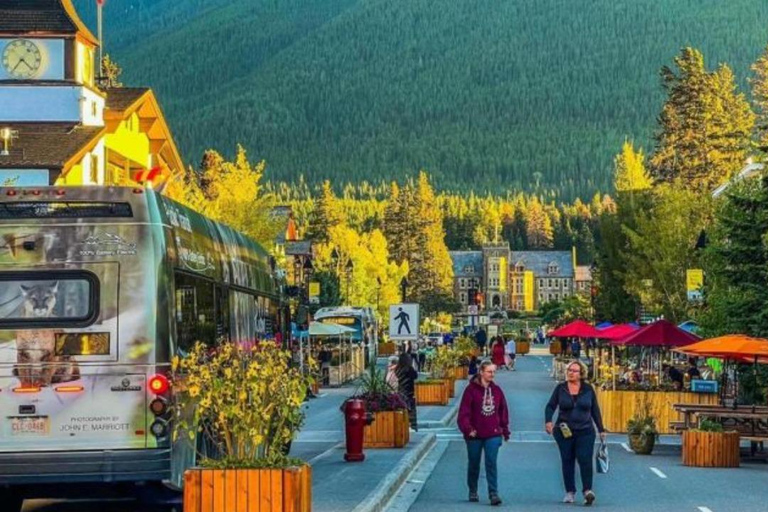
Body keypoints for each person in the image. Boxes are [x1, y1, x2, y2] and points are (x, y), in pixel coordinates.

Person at [545, 360, 606, 506]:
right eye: (569, 370)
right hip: (564, 430)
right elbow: (550, 406)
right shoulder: (561, 388)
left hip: (585, 430)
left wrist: (601, 429)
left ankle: (587, 491)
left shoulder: (588, 389)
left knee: (585, 459)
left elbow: (595, 410)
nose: (571, 373)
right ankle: (570, 491)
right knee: (567, 460)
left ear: (581, 374)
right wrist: (548, 421)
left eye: (574, 371)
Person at [458, 360, 510, 506]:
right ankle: (473, 489)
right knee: (474, 463)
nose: (492, 374)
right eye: (489, 371)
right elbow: (464, 413)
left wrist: (504, 430)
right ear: (481, 372)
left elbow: (503, 411)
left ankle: (493, 493)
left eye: (494, 371)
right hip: (474, 434)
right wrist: (468, 429)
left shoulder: (497, 390)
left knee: (491, 462)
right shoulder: (471, 390)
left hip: (493, 433)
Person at [396, 353, 419, 430]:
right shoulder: (409, 369)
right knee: (411, 411)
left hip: (401, 391)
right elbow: (415, 376)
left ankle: (404, 427)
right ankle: (412, 426)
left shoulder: (397, 369)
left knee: (403, 410)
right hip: (409, 392)